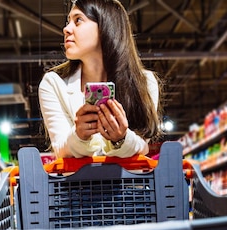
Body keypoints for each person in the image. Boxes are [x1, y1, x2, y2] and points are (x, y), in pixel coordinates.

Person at [39, 0, 162, 158]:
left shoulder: (145, 82)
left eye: (78, 20)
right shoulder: (53, 83)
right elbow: (60, 149)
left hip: (129, 181)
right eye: (68, 21)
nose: (66, 29)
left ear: (106, 26)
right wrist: (79, 136)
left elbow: (143, 146)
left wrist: (121, 139)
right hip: (75, 182)